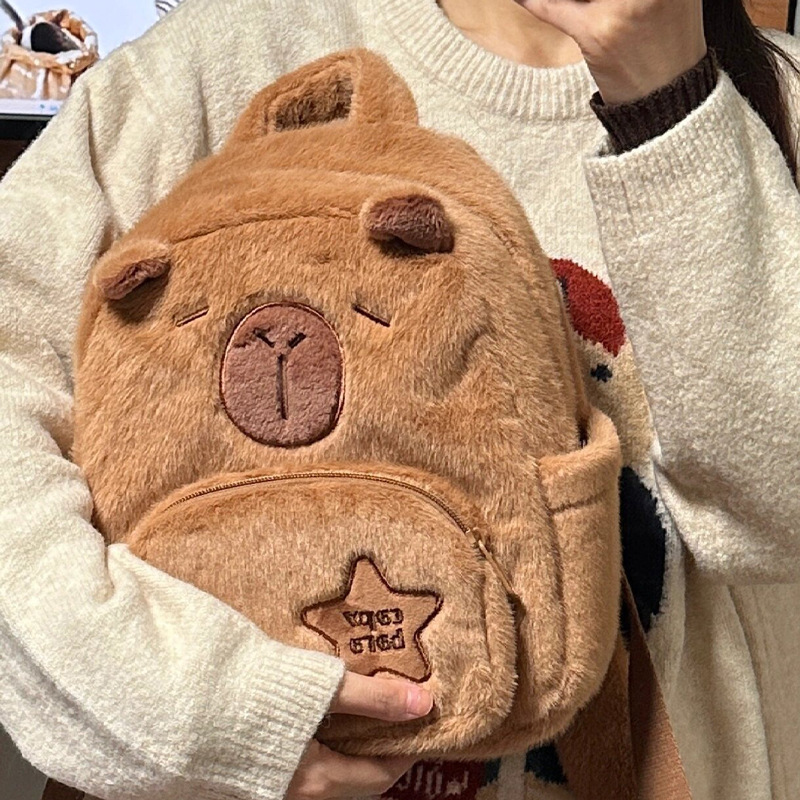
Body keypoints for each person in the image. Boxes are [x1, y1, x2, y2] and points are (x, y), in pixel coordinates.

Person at [0, 0, 798, 799]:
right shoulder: (217, 62)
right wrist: (192, 710)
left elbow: (771, 525)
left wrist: (671, 101)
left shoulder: (778, 93)